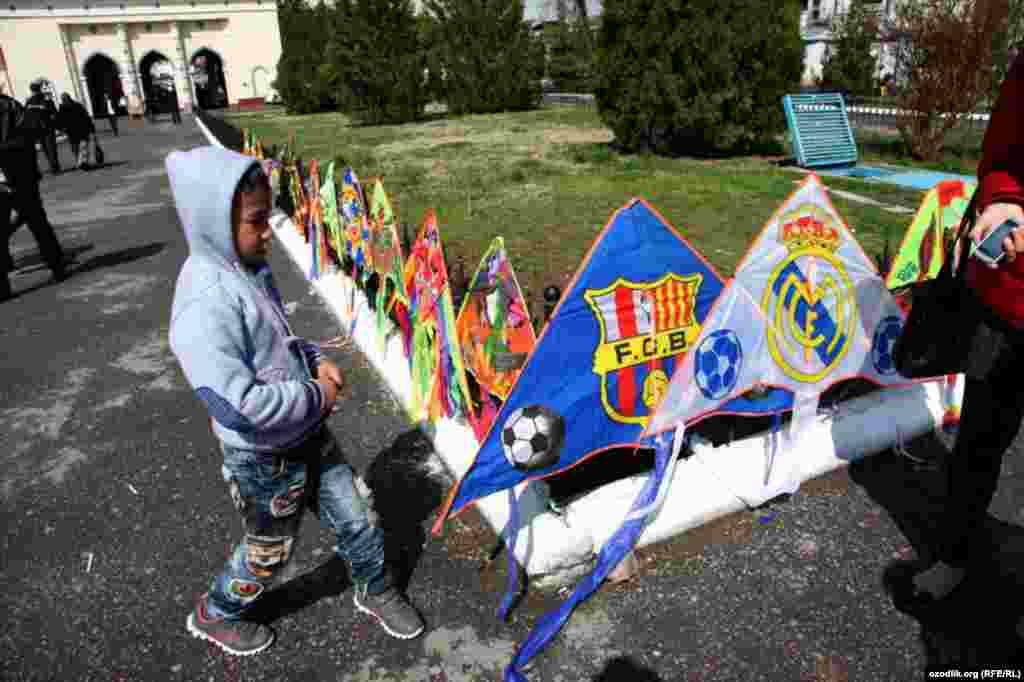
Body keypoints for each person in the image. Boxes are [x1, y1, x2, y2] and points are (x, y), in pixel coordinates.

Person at [166, 146, 425, 656]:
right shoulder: (204, 300)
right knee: (270, 550)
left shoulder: (247, 266)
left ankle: (376, 588)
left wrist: (309, 358)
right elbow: (236, 404)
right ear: (213, 222)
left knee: (358, 512)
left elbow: (275, 342)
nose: (269, 231)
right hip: (264, 458)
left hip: (308, 431)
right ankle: (217, 612)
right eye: (257, 221)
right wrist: (318, 393)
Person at [908, 53, 1024, 609]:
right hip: (1010, 300)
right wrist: (1006, 200)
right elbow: (1001, 157)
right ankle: (953, 553)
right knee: (979, 440)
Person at [0, 85, 69, 301]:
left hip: (12, 173)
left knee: (31, 221)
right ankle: (57, 265)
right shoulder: (13, 104)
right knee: (36, 221)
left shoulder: (11, 106)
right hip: (18, 172)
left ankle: (54, 264)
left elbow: (28, 134)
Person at [56, 94, 103, 170]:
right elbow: (86, 117)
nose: (65, 100)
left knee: (80, 147)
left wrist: (61, 128)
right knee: (80, 148)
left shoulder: (66, 107)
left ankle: (82, 162)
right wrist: (91, 128)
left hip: (76, 131)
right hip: (78, 130)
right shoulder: (74, 106)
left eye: (64, 99)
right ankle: (82, 162)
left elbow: (60, 120)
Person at [22, 81, 60, 175]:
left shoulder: (28, 101)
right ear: (39, 89)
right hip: (47, 127)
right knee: (51, 148)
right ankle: (54, 166)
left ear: (31, 90)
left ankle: (53, 166)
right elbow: (54, 113)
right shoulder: (46, 99)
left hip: (36, 129)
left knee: (46, 149)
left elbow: (26, 116)